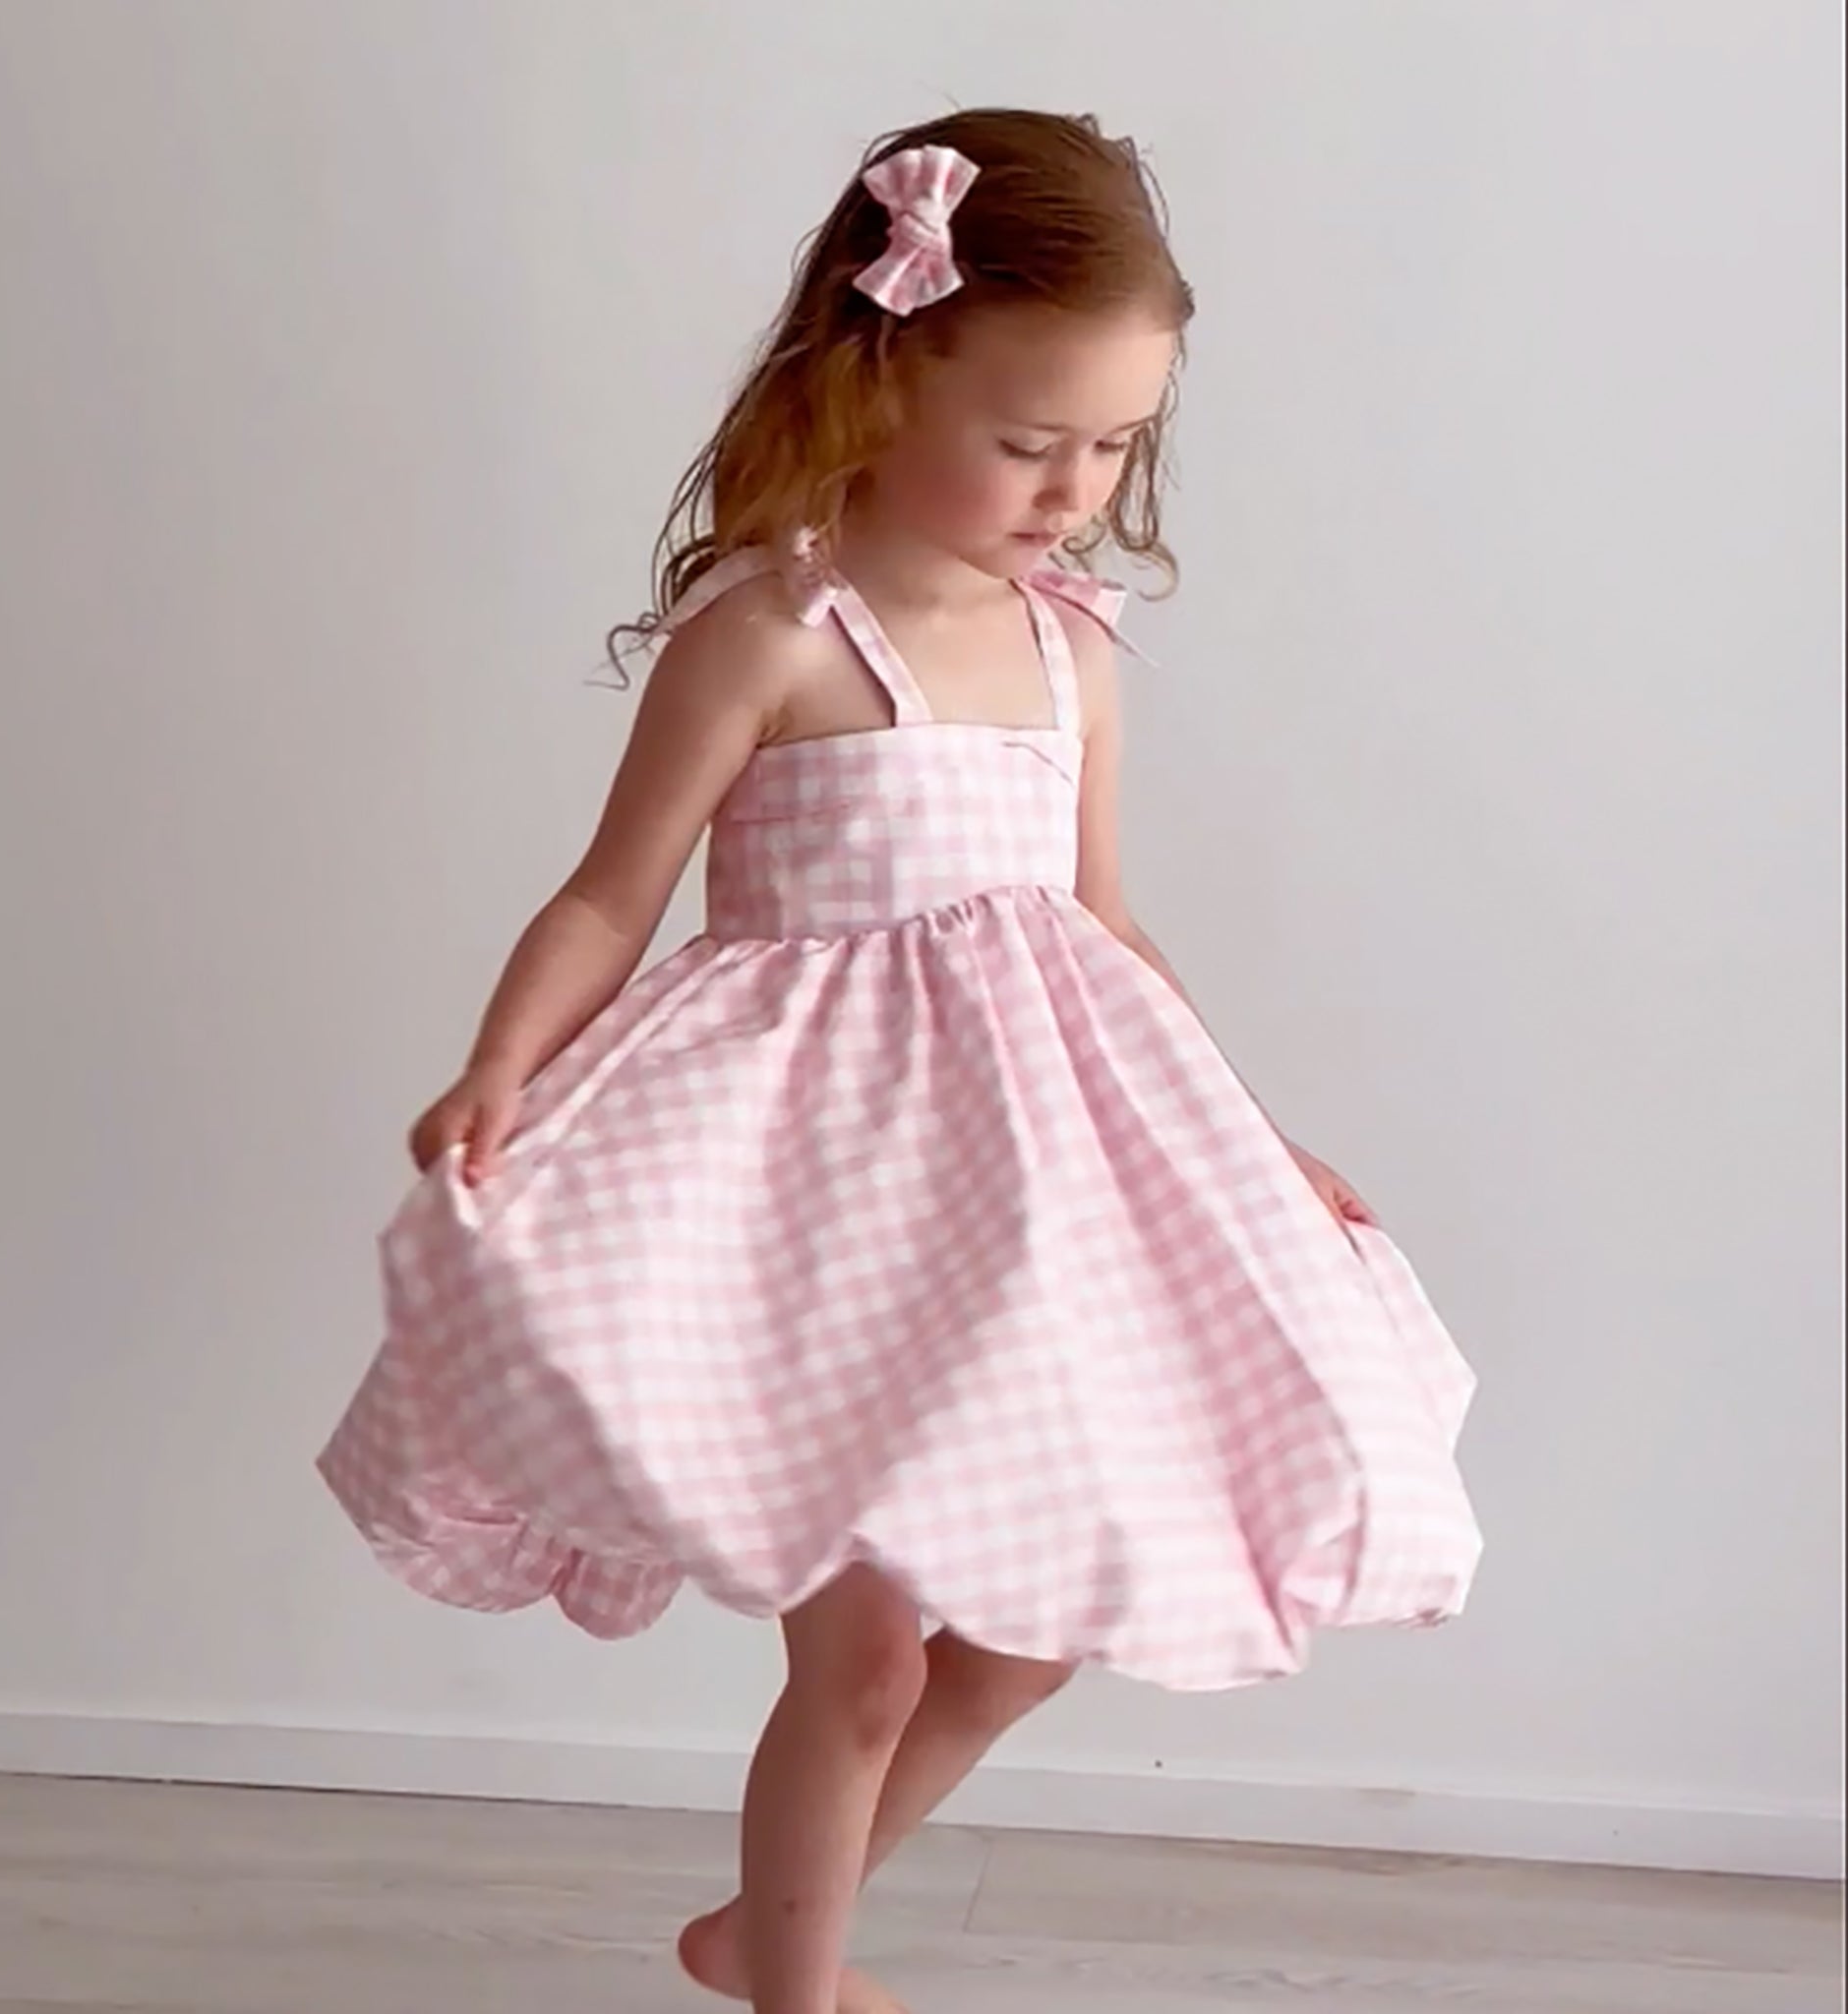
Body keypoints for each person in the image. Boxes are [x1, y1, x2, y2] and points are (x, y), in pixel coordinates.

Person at [319, 106, 1482, 2014]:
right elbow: (615, 896)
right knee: (854, 1660)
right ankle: (796, 1981)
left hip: (1033, 1200)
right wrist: (497, 1065)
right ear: (883, 369)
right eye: (1028, 443)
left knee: (1024, 1632)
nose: (1073, 490)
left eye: (1114, 446)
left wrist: (1261, 1142)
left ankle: (763, 1923)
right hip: (819, 1197)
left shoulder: (1068, 653)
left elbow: (1101, 921)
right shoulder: (769, 631)